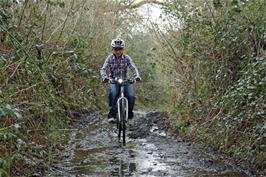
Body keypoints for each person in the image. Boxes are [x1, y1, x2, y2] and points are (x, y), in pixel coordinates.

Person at [100, 38, 141, 123]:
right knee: (113, 94)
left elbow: (133, 67)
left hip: (126, 81)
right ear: (112, 49)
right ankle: (112, 115)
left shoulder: (127, 58)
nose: (118, 51)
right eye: (116, 49)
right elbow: (103, 69)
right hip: (113, 81)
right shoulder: (109, 58)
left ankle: (129, 113)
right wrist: (105, 77)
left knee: (131, 96)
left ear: (123, 49)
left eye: (120, 49)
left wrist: (137, 76)